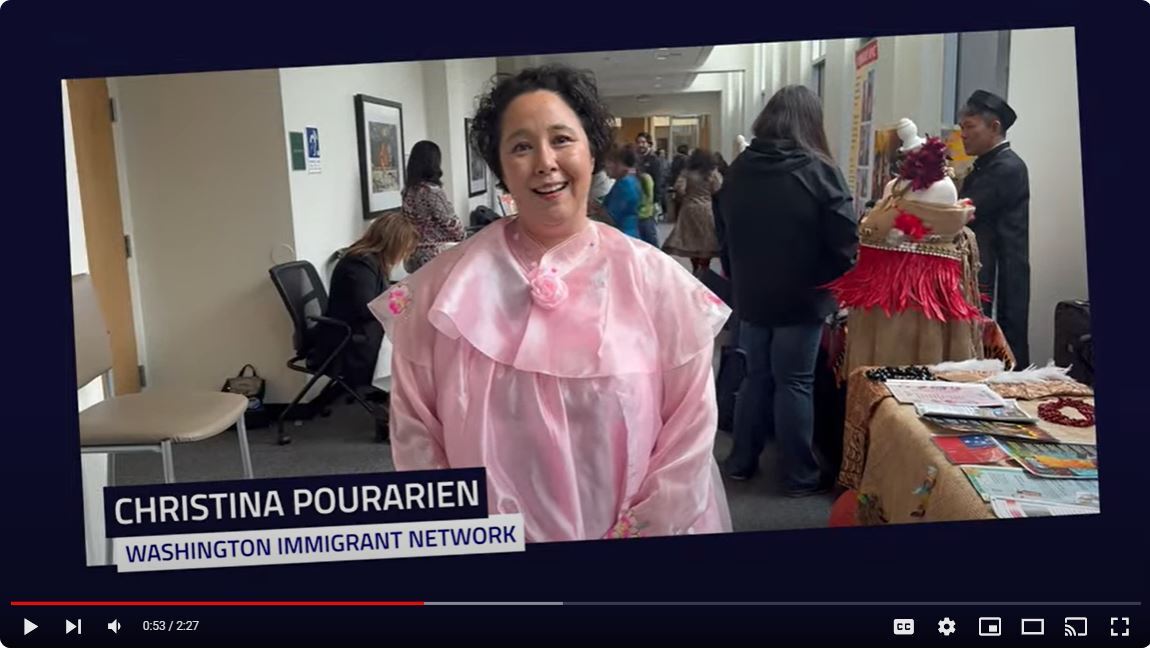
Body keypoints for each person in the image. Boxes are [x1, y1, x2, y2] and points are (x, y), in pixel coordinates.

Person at [368, 64, 732, 543]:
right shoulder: (442, 293)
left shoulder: (656, 283)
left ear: (591, 148)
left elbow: (690, 432)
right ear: (500, 168)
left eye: (562, 139)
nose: (545, 161)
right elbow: (417, 436)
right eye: (521, 146)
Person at [719, 85, 859, 494]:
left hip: (752, 296)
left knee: (755, 378)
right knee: (794, 382)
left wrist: (738, 277)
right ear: (810, 123)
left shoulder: (739, 168)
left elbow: (724, 233)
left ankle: (742, 461)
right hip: (803, 296)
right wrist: (833, 284)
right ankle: (799, 475)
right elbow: (844, 239)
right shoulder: (819, 170)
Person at [958, 89, 1031, 367]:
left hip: (1000, 269)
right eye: (961, 127)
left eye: (969, 127)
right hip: (982, 265)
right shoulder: (986, 166)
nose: (963, 134)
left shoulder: (1008, 167)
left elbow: (963, 211)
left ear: (994, 126)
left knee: (999, 349)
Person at [314, 211, 419, 393]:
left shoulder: (370, 261)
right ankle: (403, 398)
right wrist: (405, 300)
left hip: (360, 328)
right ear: (393, 244)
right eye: (404, 249)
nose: (404, 255)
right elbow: (369, 308)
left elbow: (379, 299)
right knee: (414, 344)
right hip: (352, 337)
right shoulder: (359, 264)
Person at [401, 140, 466, 273]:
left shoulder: (408, 191)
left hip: (411, 256)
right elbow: (451, 224)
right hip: (436, 256)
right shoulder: (432, 192)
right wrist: (466, 236)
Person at [662, 148, 723, 273]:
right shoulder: (712, 172)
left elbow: (679, 188)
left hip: (689, 209)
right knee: (707, 240)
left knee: (691, 239)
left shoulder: (687, 172)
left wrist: (685, 197)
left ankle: (695, 267)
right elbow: (718, 189)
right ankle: (705, 268)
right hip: (707, 208)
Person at [602, 144, 643, 238]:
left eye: (609, 162)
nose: (606, 167)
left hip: (622, 235)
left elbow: (611, 217)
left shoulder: (624, 184)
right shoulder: (631, 180)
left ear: (619, 163)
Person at [636, 131, 668, 218]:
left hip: (650, 198)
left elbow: (659, 180)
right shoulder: (635, 158)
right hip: (638, 197)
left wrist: (656, 201)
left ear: (649, 144)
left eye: (643, 142)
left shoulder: (654, 160)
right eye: (638, 142)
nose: (640, 145)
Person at [636, 167, 659, 246]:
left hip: (645, 216)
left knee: (650, 243)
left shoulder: (645, 178)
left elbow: (649, 196)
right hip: (640, 216)